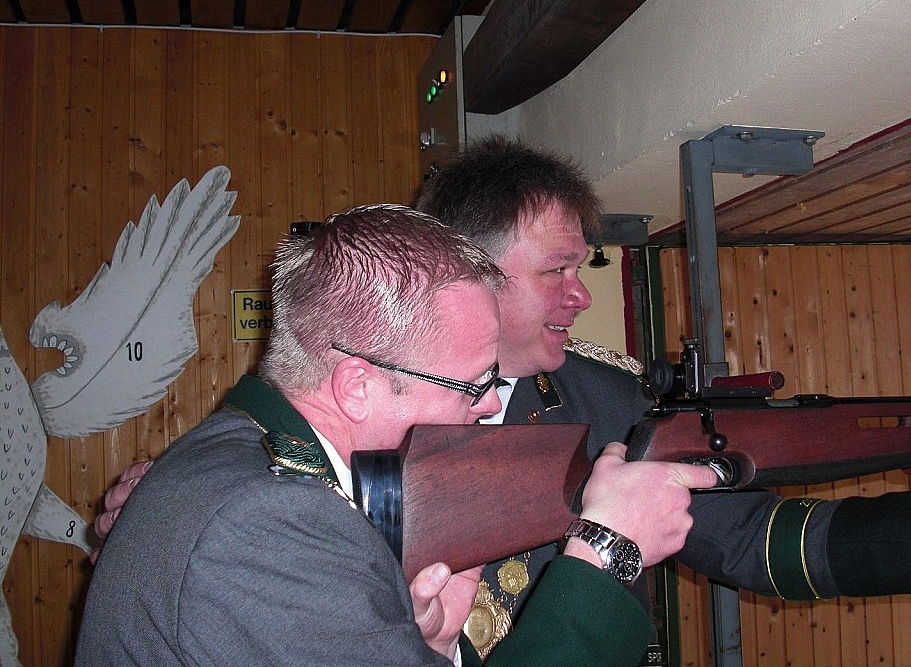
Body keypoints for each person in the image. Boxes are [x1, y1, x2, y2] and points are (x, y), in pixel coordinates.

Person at [411, 134, 911, 656]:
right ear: (470, 272)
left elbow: (750, 537)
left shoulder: (608, 402)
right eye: (557, 270)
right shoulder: (373, 413)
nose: (582, 296)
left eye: (580, 270)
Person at [75, 204, 719, 666]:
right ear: (358, 385)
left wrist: (428, 647)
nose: (489, 402)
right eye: (472, 383)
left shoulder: (256, 466)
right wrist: (606, 553)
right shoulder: (266, 523)